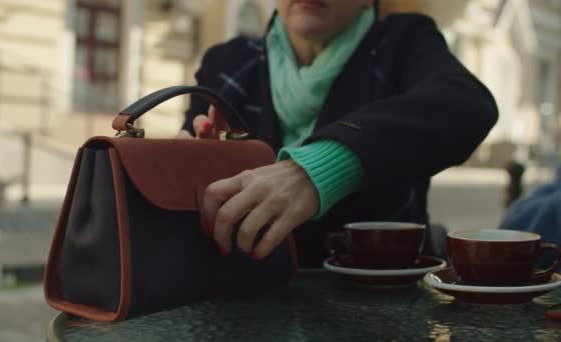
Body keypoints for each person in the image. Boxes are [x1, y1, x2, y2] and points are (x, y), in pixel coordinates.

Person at [177, 0, 498, 267]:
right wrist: (191, 173)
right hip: (243, 306)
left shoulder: (402, 42)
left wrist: (318, 170)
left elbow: (466, 104)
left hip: (379, 304)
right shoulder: (226, 64)